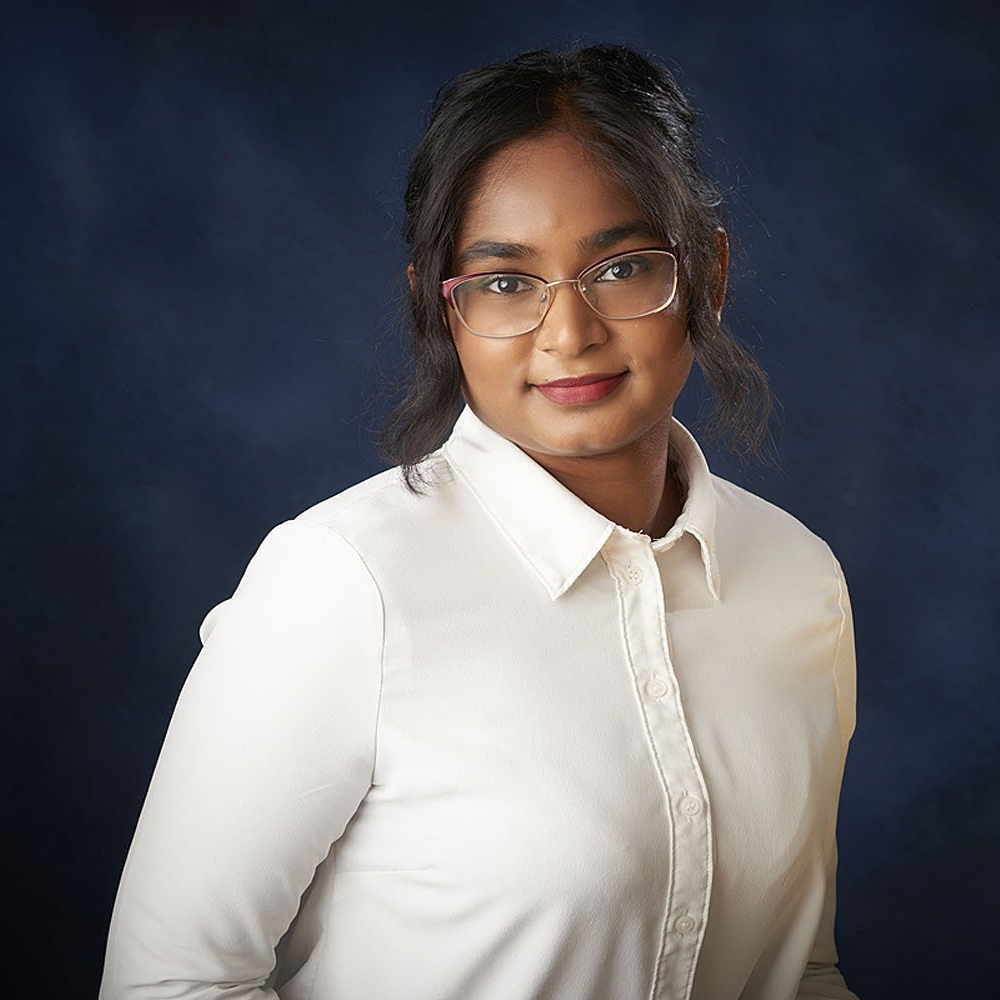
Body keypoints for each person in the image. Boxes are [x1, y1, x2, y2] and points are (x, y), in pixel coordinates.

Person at [100, 45, 859, 1000]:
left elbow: (799, 970)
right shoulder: (340, 582)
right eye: (506, 282)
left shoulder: (797, 579)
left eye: (621, 267)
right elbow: (170, 984)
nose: (569, 332)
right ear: (439, 305)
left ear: (706, 272)